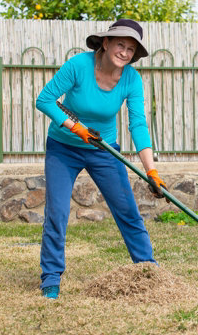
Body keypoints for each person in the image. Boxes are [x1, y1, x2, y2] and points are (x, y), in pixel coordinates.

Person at [36, 19, 166, 300]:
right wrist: (76, 128)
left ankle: (148, 271)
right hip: (64, 147)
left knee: (128, 211)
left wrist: (152, 171)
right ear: (105, 43)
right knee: (57, 213)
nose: (125, 52)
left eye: (131, 49)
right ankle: (50, 277)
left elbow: (138, 125)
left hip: (104, 149)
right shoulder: (78, 66)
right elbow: (44, 100)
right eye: (120, 44)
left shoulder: (131, 79)